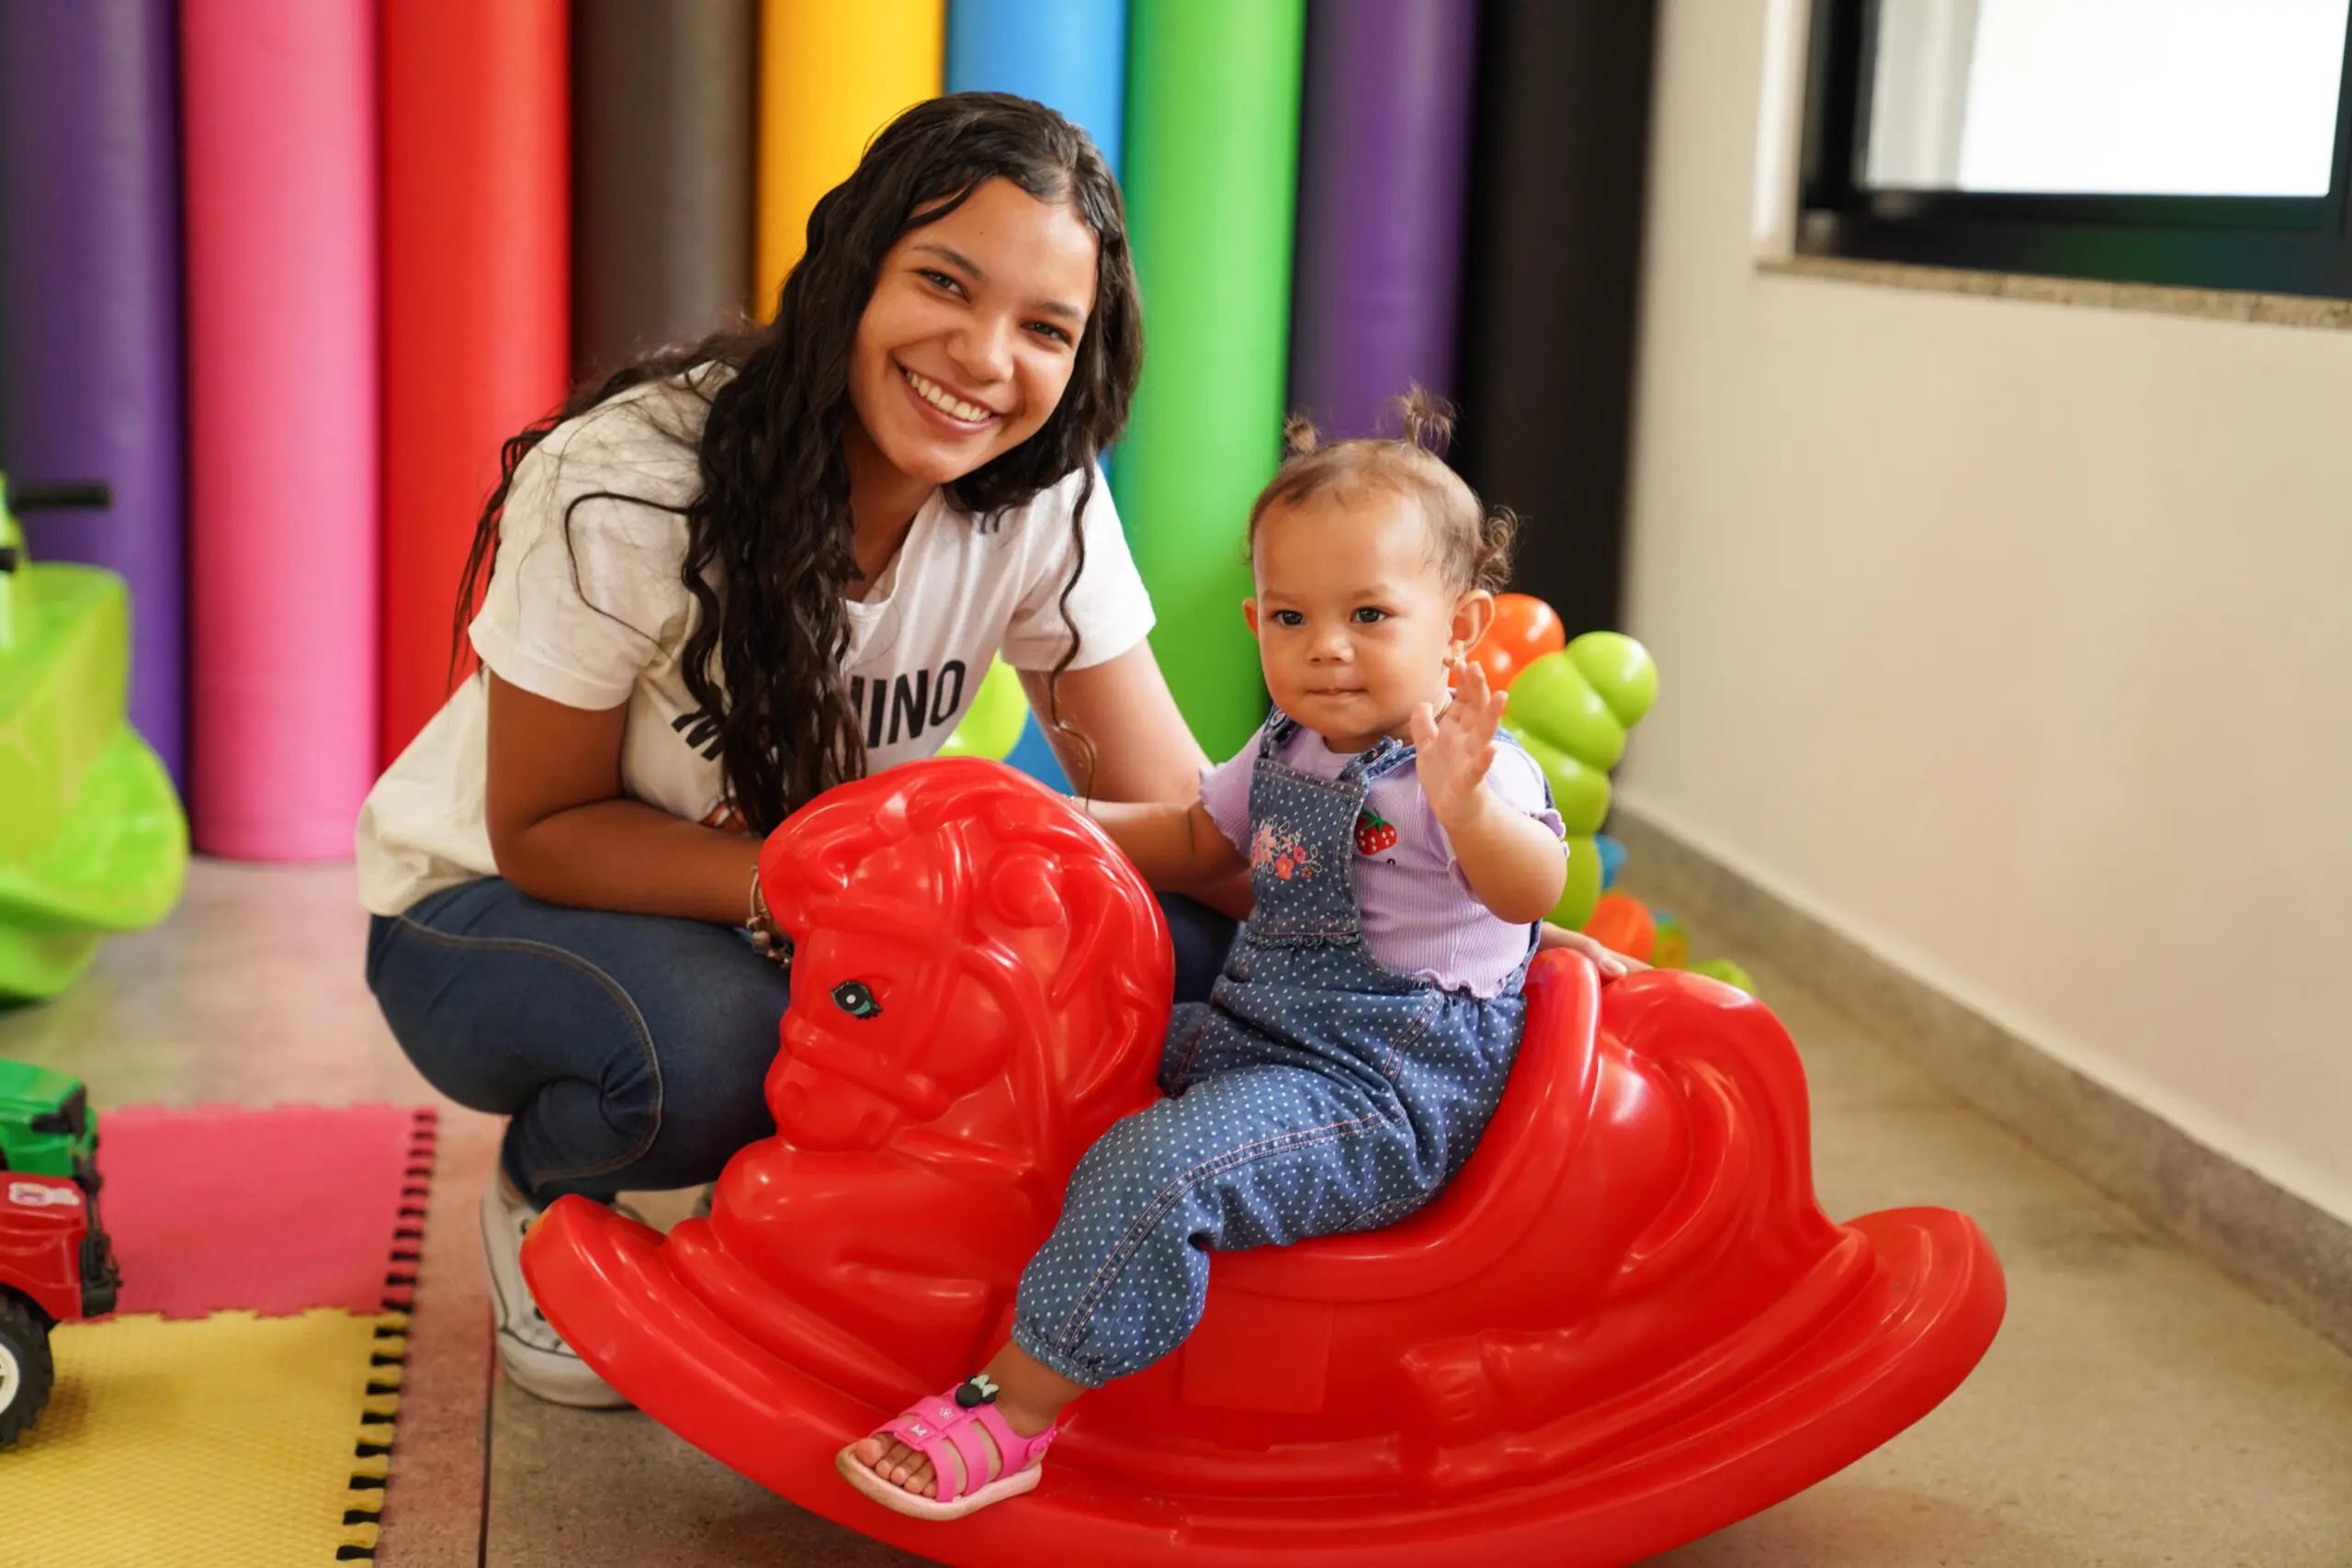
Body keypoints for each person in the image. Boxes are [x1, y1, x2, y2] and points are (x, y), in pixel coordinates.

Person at [356, 95, 1239, 1410]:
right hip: (493, 906)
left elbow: (1174, 812)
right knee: (724, 1044)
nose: (985, 358)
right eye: (945, 281)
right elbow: (541, 824)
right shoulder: (634, 479)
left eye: (1045, 329)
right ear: (854, 270)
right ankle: (554, 1182)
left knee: (1202, 959)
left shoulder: (1039, 489)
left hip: (809, 915)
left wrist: (1423, 911)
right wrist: (831, 886)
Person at [839, 394, 1591, 1519]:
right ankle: (918, 1277)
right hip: (1260, 1037)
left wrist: (1468, 807)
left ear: (1462, 628)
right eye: (1291, 618)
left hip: (1383, 1091)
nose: (1325, 647)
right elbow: (1198, 839)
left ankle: (1018, 1410)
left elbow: (1529, 888)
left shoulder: (1473, 771)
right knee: (1048, 1048)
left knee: (1159, 1165)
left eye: (1370, 614)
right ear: (1255, 622)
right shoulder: (1287, 745)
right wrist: (1046, 814)